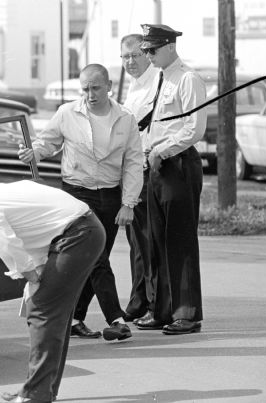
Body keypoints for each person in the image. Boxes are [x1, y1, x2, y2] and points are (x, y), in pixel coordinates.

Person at [0, 169, 106, 403]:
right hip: (82, 231)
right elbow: (30, 231)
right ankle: (41, 390)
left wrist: (31, 276)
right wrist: (34, 273)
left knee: (42, 311)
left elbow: (5, 242)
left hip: (77, 235)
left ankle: (36, 394)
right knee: (55, 314)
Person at [18, 64, 143, 341]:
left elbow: (134, 162)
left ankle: (74, 319)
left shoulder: (125, 118)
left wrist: (128, 203)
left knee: (95, 260)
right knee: (96, 259)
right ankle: (117, 319)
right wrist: (33, 153)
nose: (90, 94)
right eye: (85, 89)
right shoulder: (67, 113)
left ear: (109, 86)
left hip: (110, 195)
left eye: (95, 88)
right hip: (76, 195)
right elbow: (46, 143)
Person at [136, 24, 207, 335]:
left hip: (177, 164)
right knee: (156, 240)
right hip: (156, 165)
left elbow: (194, 129)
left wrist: (162, 150)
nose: (148, 56)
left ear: (168, 47)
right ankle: (162, 310)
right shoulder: (160, 79)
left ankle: (187, 313)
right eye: (146, 50)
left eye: (152, 50)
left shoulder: (188, 79)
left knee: (179, 241)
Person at [119, 33, 160, 322]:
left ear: (148, 54)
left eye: (135, 55)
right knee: (135, 241)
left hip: (150, 169)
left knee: (150, 241)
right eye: (124, 57)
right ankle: (139, 299)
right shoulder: (133, 87)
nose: (129, 61)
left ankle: (155, 302)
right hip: (131, 171)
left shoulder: (157, 83)